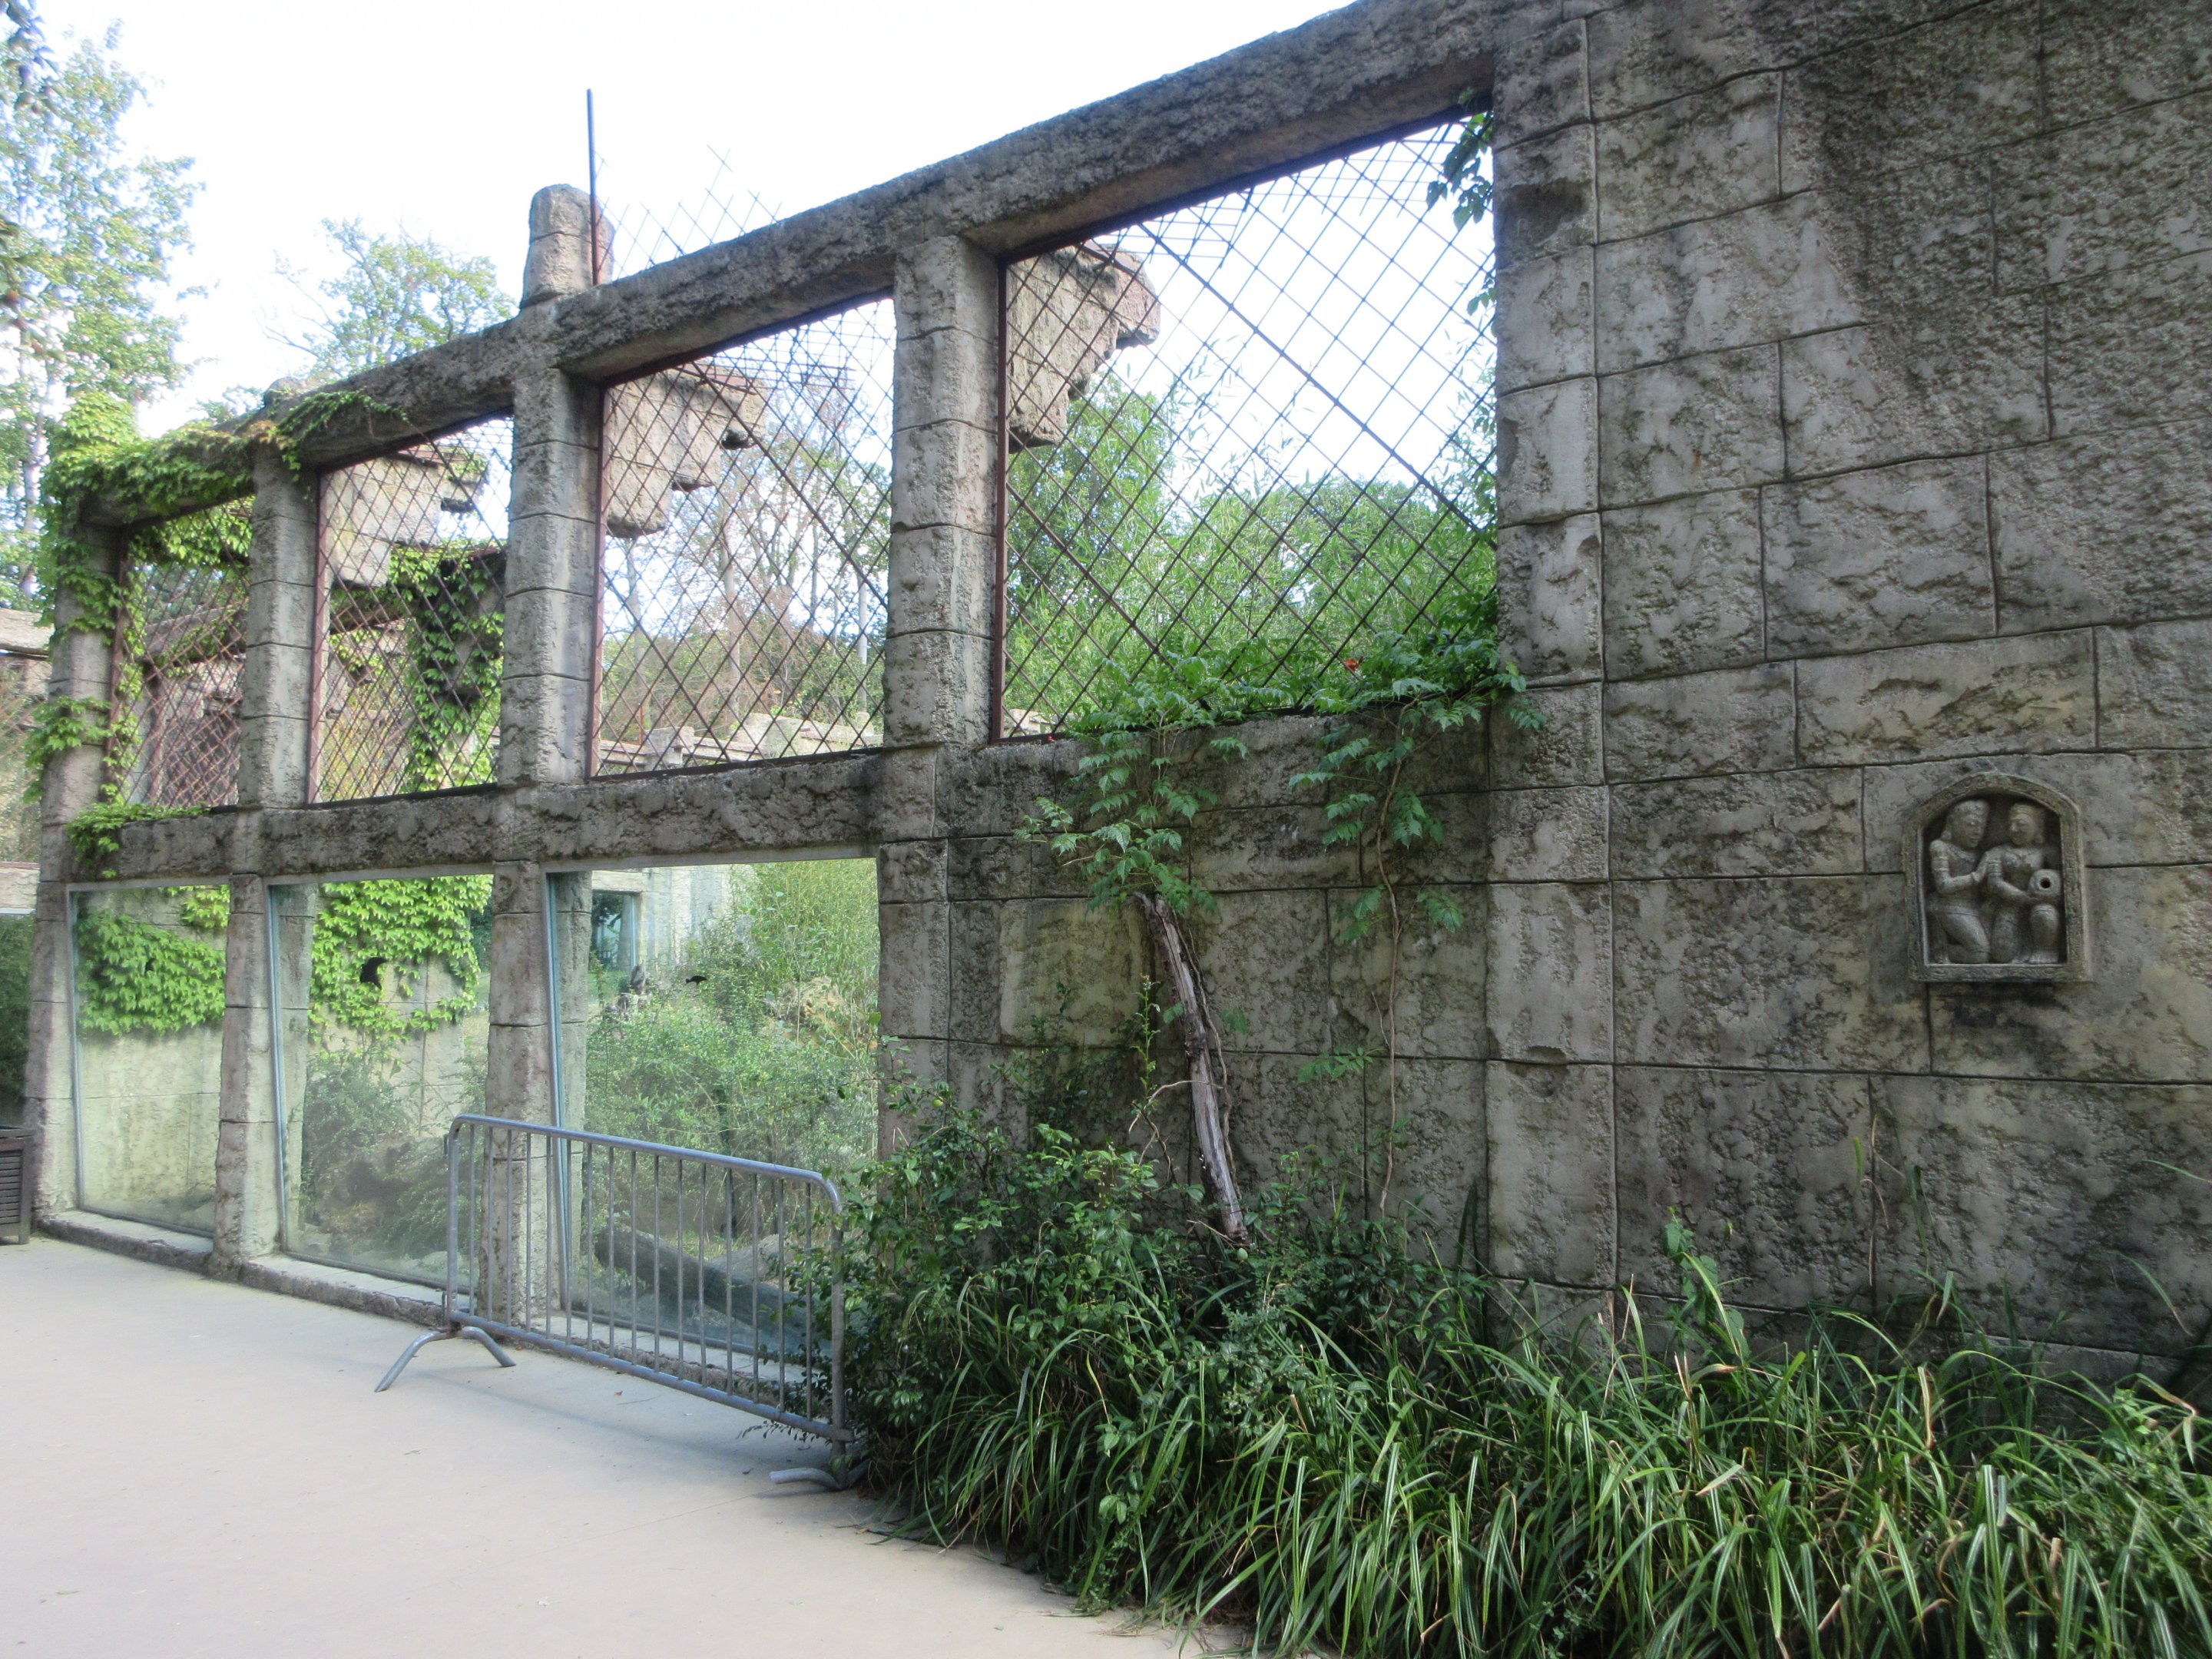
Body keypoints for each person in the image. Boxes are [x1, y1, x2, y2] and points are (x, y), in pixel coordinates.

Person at [1976, 801, 2058, 964]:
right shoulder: (1998, 852)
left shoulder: (2047, 852)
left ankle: (2046, 950)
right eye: (2010, 824)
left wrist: (2048, 879)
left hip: (2038, 904)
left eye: (2021, 824)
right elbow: (1995, 883)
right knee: (2002, 956)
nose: (2013, 829)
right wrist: (2022, 897)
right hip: (2009, 904)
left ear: (2036, 826)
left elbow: (2064, 877)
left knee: (2044, 914)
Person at [1926, 798, 1990, 964]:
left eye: (1981, 827)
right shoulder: (1941, 847)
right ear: (1952, 823)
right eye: (1971, 824)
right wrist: (1975, 877)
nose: (1977, 832)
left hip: (1976, 907)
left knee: (2000, 952)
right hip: (1948, 906)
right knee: (1980, 954)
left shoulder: (1978, 853)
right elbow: (1943, 885)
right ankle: (1940, 950)